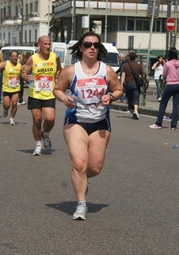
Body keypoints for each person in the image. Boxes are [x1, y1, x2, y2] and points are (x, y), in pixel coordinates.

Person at [53, 31, 122, 220]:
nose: (92, 47)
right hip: (76, 120)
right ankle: (81, 204)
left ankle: (81, 179)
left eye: (96, 45)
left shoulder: (106, 70)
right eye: (88, 44)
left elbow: (118, 89)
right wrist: (64, 98)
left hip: (100, 122)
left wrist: (111, 96)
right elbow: (57, 89)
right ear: (81, 48)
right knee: (79, 163)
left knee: (95, 168)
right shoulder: (71, 71)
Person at [21, 36, 61, 156]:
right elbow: (24, 72)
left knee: (50, 119)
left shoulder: (55, 57)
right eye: (45, 44)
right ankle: (38, 145)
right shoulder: (32, 59)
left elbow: (59, 69)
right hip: (35, 93)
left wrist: (57, 77)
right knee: (37, 120)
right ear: (39, 45)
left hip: (49, 93)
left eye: (49, 44)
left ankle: (46, 133)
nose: (48, 47)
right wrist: (26, 78)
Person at [150, 47, 179, 130]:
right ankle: (173, 125)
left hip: (170, 85)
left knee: (163, 104)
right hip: (178, 85)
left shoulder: (168, 64)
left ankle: (158, 123)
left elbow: (164, 74)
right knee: (176, 106)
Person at [120, 51, 144, 119]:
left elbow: (123, 75)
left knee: (129, 98)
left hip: (128, 83)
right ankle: (136, 110)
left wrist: (121, 84)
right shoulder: (139, 65)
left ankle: (131, 112)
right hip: (136, 84)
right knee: (136, 97)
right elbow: (142, 75)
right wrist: (141, 81)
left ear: (129, 57)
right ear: (135, 57)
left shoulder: (125, 65)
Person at [2, 50, 21, 125]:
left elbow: (23, 74)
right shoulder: (5, 64)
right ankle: (5, 109)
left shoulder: (20, 65)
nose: (15, 57)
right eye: (13, 56)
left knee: (14, 103)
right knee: (7, 105)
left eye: (16, 56)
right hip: (6, 87)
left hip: (16, 87)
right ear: (10, 57)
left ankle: (12, 118)